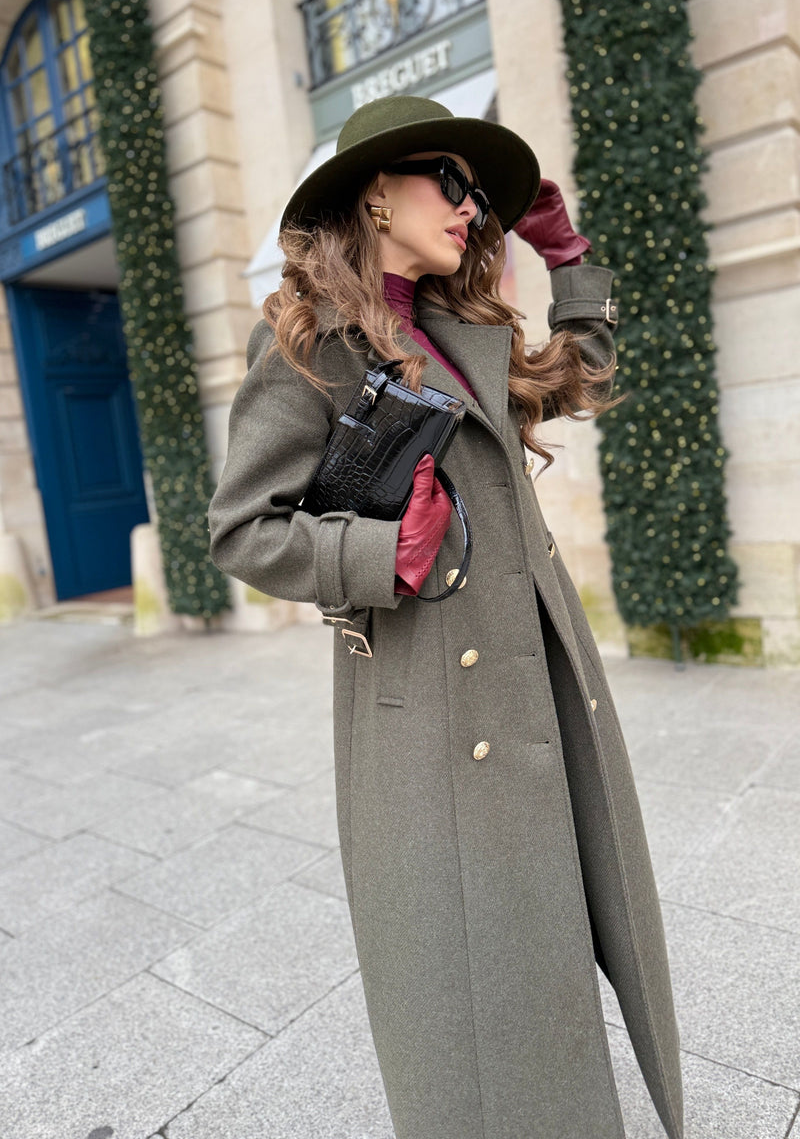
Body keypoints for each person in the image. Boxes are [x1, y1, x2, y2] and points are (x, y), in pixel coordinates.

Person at [208, 95, 684, 1139]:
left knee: (553, 932)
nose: (470, 209)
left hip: (535, 678)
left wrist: (569, 259)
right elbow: (240, 528)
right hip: (427, 704)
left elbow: (585, 373)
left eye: (480, 192)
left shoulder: (461, 330)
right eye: (450, 181)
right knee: (474, 982)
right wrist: (383, 552)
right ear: (374, 192)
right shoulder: (308, 343)